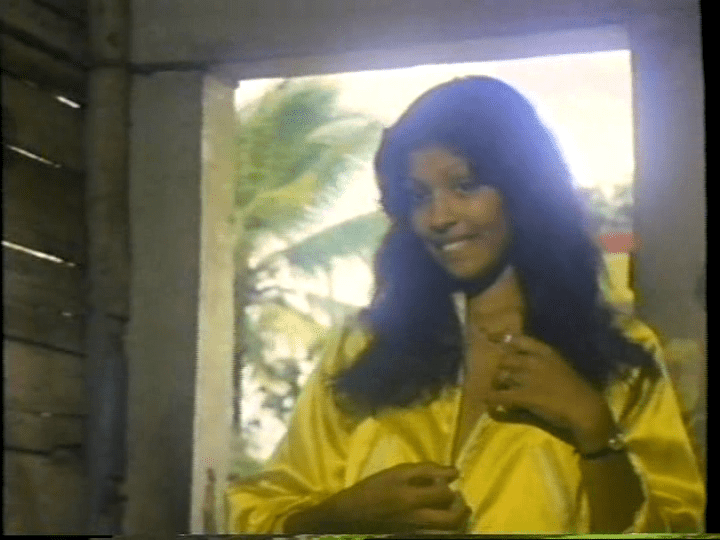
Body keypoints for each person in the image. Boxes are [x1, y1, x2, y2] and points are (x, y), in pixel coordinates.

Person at [225, 76, 705, 534]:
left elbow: (676, 527)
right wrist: (338, 516)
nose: (438, 217)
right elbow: (257, 511)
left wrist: (596, 432)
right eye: (419, 195)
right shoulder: (363, 348)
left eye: (465, 186)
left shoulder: (619, 358)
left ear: (524, 189)